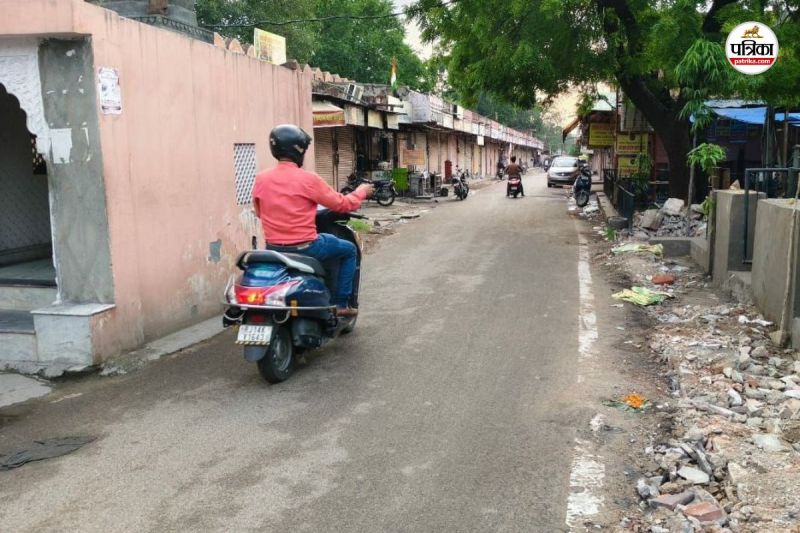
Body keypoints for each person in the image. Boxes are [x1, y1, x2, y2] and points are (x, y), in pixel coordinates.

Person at [252, 124, 374, 317]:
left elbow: (259, 212)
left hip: (273, 249)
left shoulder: (261, 178)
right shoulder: (308, 179)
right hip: (307, 247)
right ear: (299, 150)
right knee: (349, 250)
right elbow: (341, 204)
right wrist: (360, 192)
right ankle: (341, 304)